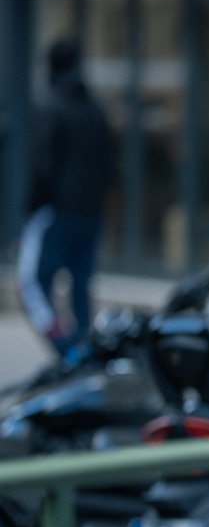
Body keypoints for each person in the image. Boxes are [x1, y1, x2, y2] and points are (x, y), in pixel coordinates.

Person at [18, 37, 115, 361]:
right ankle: (83, 351)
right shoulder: (94, 108)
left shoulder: (51, 106)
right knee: (81, 288)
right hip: (89, 212)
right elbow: (109, 164)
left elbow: (43, 165)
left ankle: (68, 351)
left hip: (57, 211)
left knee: (34, 285)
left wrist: (32, 209)